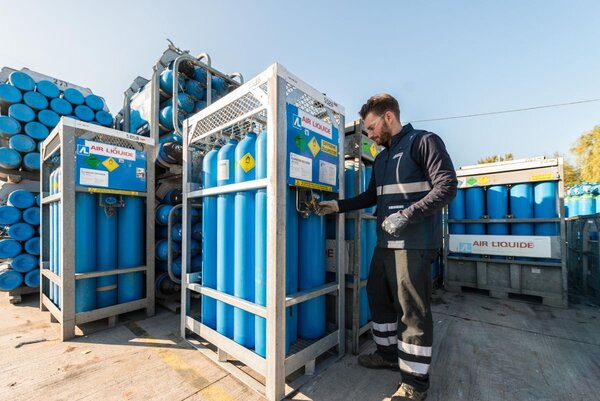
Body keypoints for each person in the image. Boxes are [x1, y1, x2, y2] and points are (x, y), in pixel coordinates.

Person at [317, 94, 457, 401]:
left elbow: (447, 186)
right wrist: (336, 206)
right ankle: (387, 353)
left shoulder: (424, 142)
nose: (368, 134)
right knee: (377, 294)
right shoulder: (380, 159)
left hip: (414, 243)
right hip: (385, 243)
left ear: (388, 118)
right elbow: (370, 198)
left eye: (370, 127)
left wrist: (407, 215)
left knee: (412, 311)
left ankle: (415, 384)